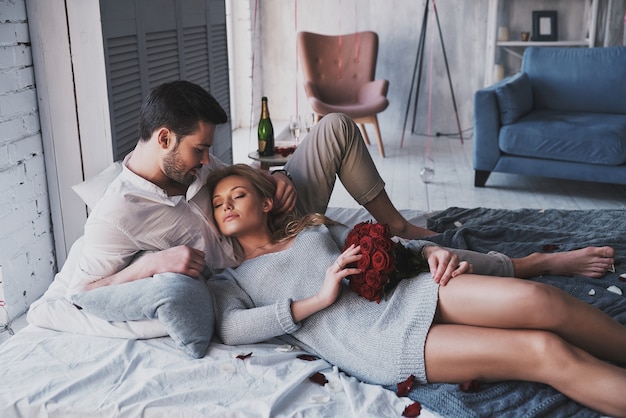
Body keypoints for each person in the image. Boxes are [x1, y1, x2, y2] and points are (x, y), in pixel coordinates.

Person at [67, 80, 613, 295]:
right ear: (164, 138)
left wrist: (271, 183)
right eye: (199, 151)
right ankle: (533, 265)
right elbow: (78, 296)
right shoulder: (117, 215)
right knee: (406, 259)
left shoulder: (188, 165)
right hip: (255, 256)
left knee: (333, 126)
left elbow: (230, 182)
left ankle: (394, 218)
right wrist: (150, 266)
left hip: (263, 212)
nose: (209, 158)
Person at [206, 164, 626, 417]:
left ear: (264, 203)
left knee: (542, 300)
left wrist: (428, 252)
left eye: (237, 194)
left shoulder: (313, 226)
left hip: (408, 292)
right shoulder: (234, 277)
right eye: (218, 202)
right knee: (543, 350)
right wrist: (318, 298)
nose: (225, 204)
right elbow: (230, 329)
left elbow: (384, 244)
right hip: (380, 342)